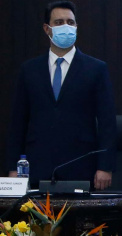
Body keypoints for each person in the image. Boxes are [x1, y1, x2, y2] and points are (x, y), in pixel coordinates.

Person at [5, 1, 116, 190]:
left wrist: (105, 167)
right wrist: (13, 168)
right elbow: (18, 123)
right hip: (37, 167)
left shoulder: (96, 69)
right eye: (59, 22)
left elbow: (107, 122)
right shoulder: (29, 70)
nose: (66, 27)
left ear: (76, 27)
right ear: (47, 29)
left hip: (81, 167)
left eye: (70, 22)